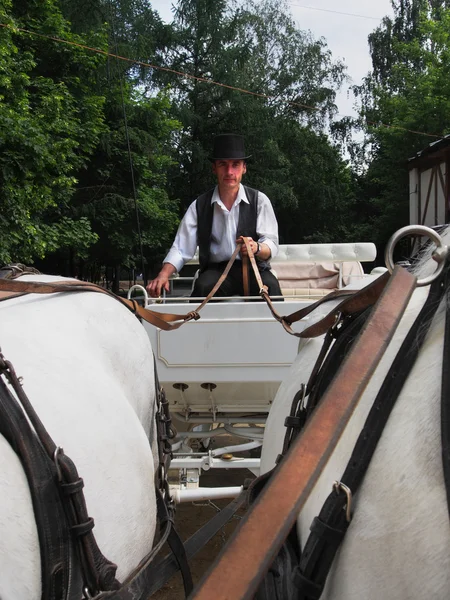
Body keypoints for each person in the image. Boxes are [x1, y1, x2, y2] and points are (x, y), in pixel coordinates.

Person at [147, 133, 282, 299]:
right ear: (214, 168)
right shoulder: (199, 205)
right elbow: (181, 249)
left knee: (272, 288)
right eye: (223, 164)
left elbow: (272, 244)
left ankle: (276, 326)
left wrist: (257, 248)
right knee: (202, 287)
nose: (229, 171)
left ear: (244, 168)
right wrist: (163, 275)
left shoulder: (260, 201)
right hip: (216, 271)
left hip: (254, 269)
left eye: (235, 164)